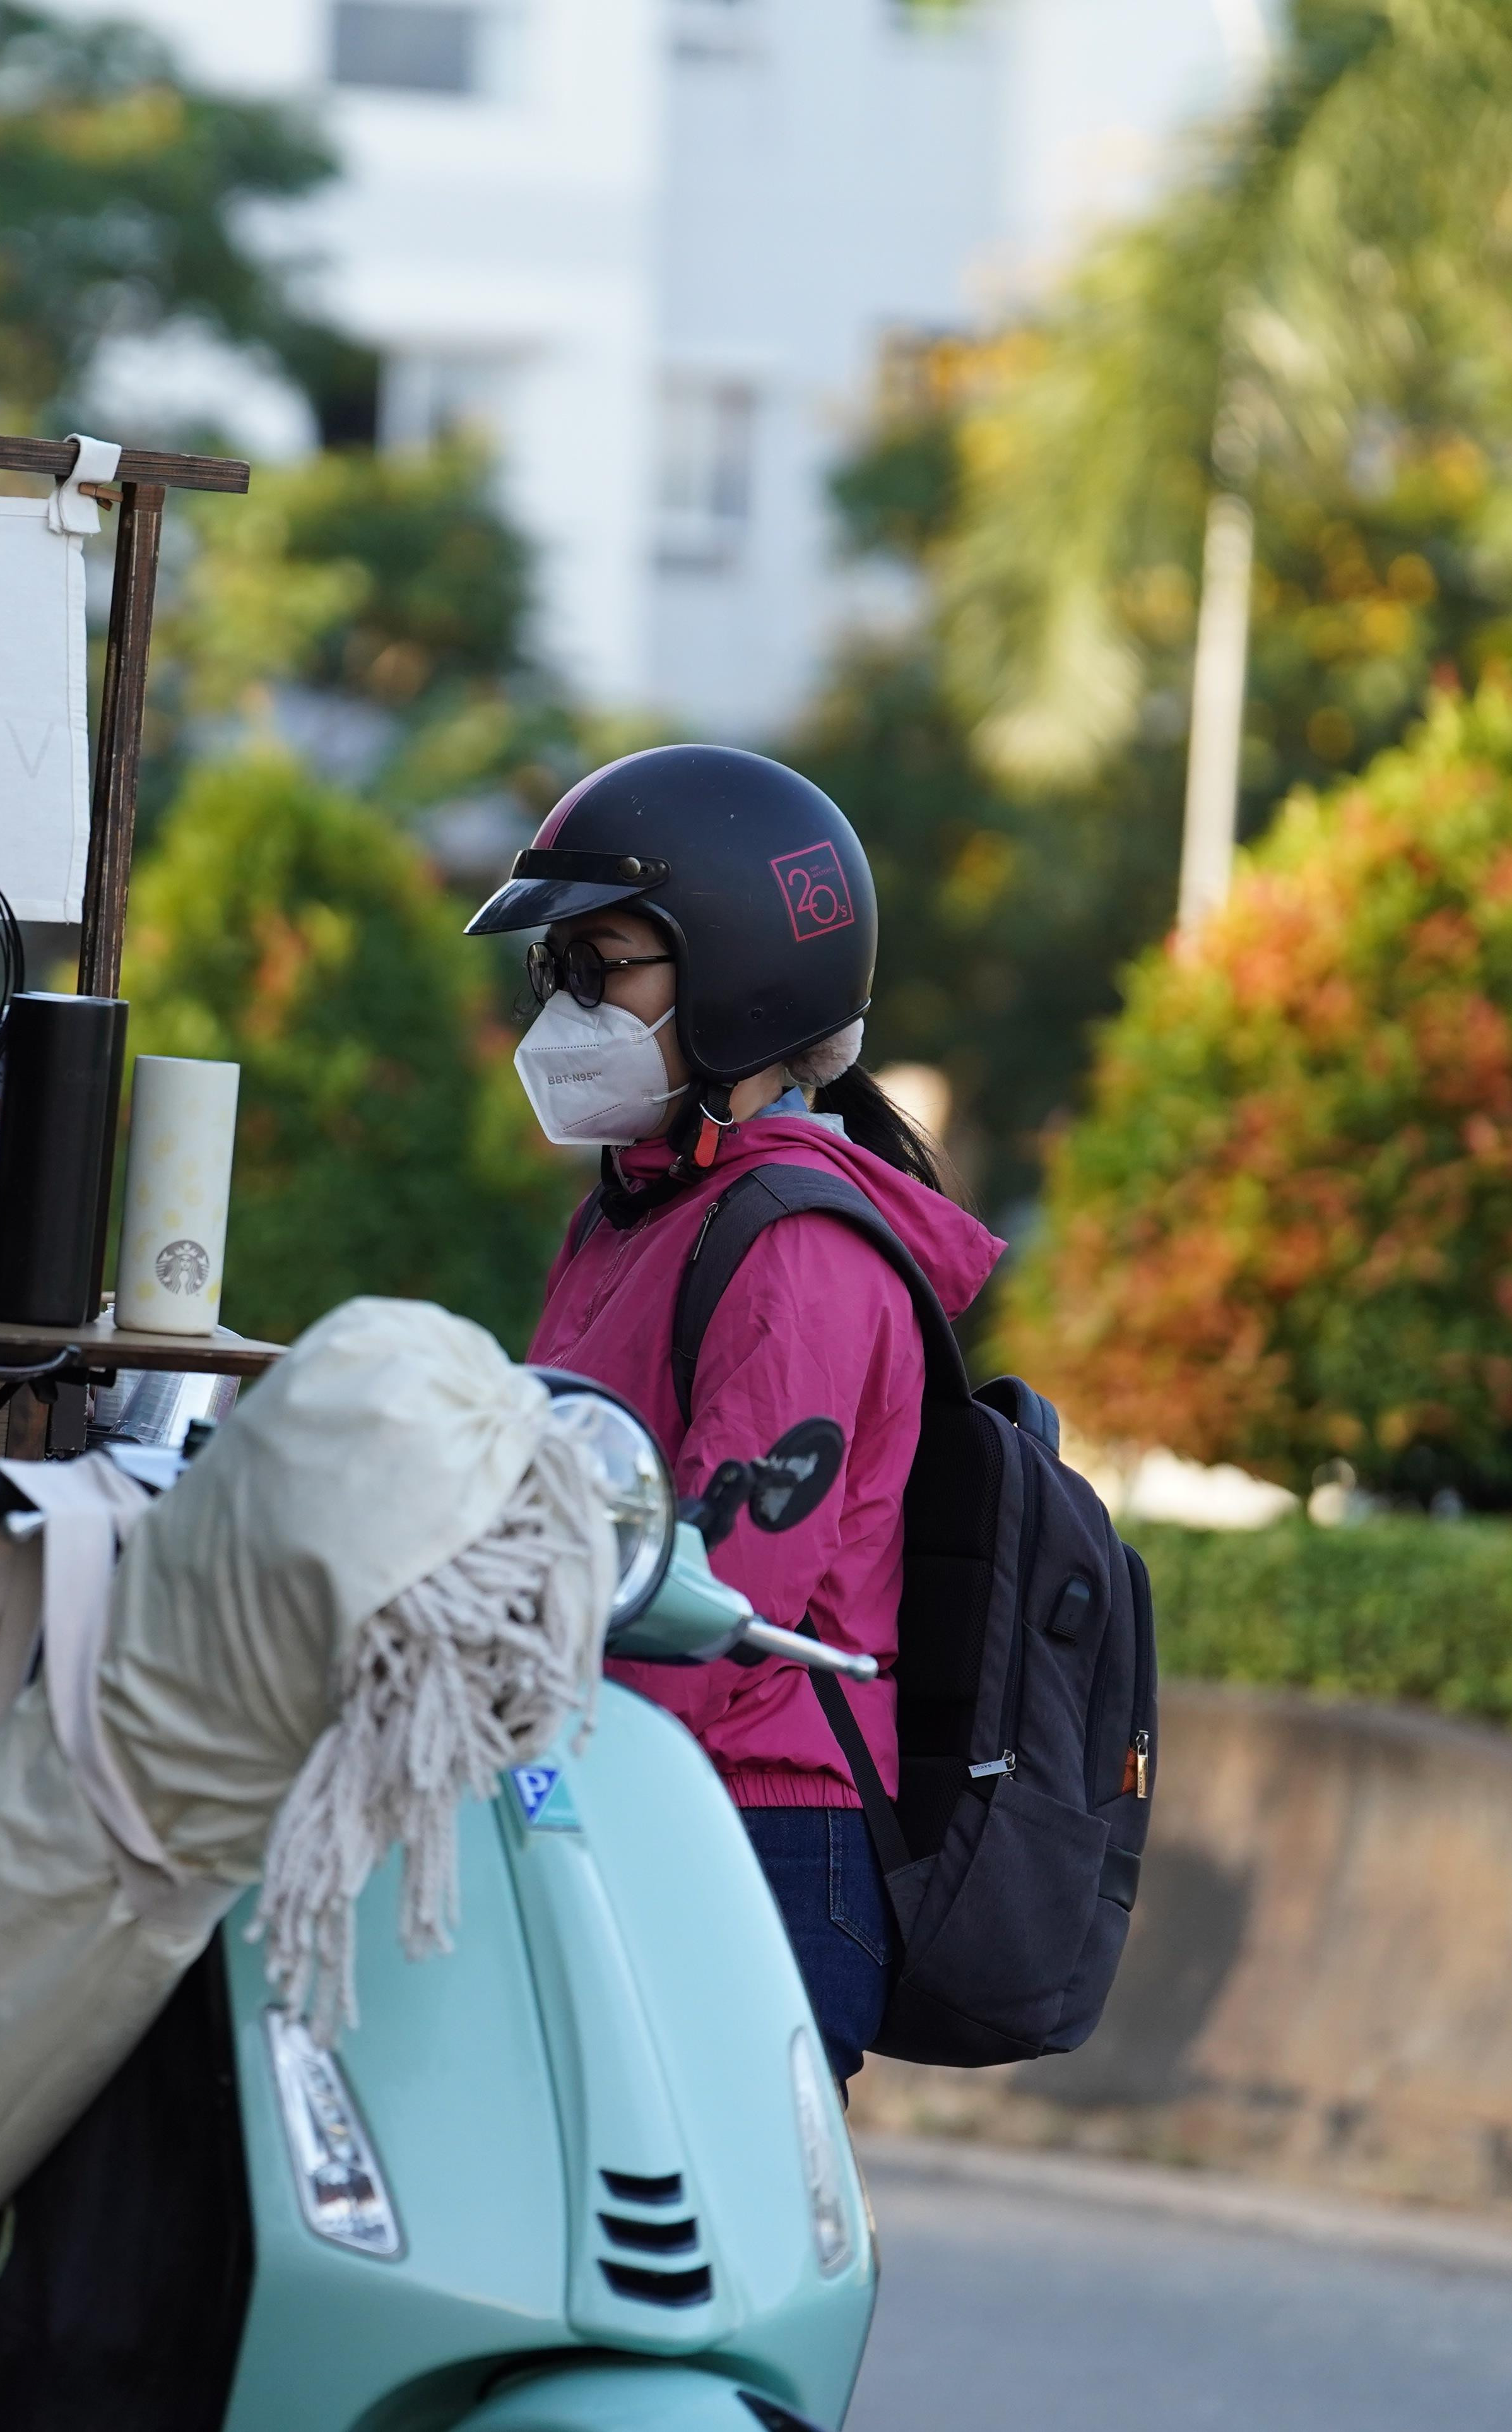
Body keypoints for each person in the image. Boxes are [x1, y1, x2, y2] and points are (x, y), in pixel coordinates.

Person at [469, 744, 1003, 2085]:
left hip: (749, 1839)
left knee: (687, 2283)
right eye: (556, 972)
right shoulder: (634, 1211)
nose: (564, 1009)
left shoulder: (794, 1251)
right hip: (626, 1787)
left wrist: (532, 1786)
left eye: (601, 965)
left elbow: (705, 1593)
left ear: (738, 978)